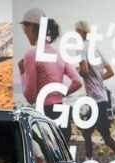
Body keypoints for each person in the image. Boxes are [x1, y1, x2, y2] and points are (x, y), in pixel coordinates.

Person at [19, 8, 82, 143]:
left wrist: (22, 73)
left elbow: (30, 97)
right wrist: (59, 93)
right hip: (62, 114)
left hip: (45, 116)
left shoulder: (31, 54)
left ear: (32, 27)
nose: (24, 32)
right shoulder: (58, 54)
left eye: (24, 28)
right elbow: (77, 81)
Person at [74, 20, 115, 160]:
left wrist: (78, 70)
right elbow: (111, 72)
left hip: (94, 99)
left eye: (76, 31)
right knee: (88, 131)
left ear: (81, 31)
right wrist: (99, 79)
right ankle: (89, 160)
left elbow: (85, 71)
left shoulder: (81, 48)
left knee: (103, 135)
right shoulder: (96, 49)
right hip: (102, 98)